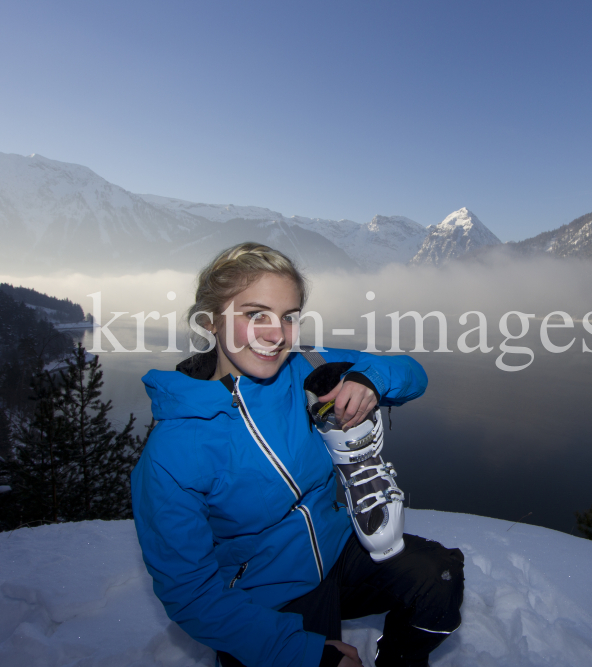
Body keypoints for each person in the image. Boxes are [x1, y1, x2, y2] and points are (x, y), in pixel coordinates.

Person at [131, 243, 464, 667]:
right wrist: (306, 654)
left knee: (439, 575)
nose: (277, 335)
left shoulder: (306, 370)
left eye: (288, 317)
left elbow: (414, 375)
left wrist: (371, 379)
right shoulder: (172, 452)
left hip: (336, 552)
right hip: (265, 596)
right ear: (211, 320)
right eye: (255, 315)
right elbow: (191, 596)